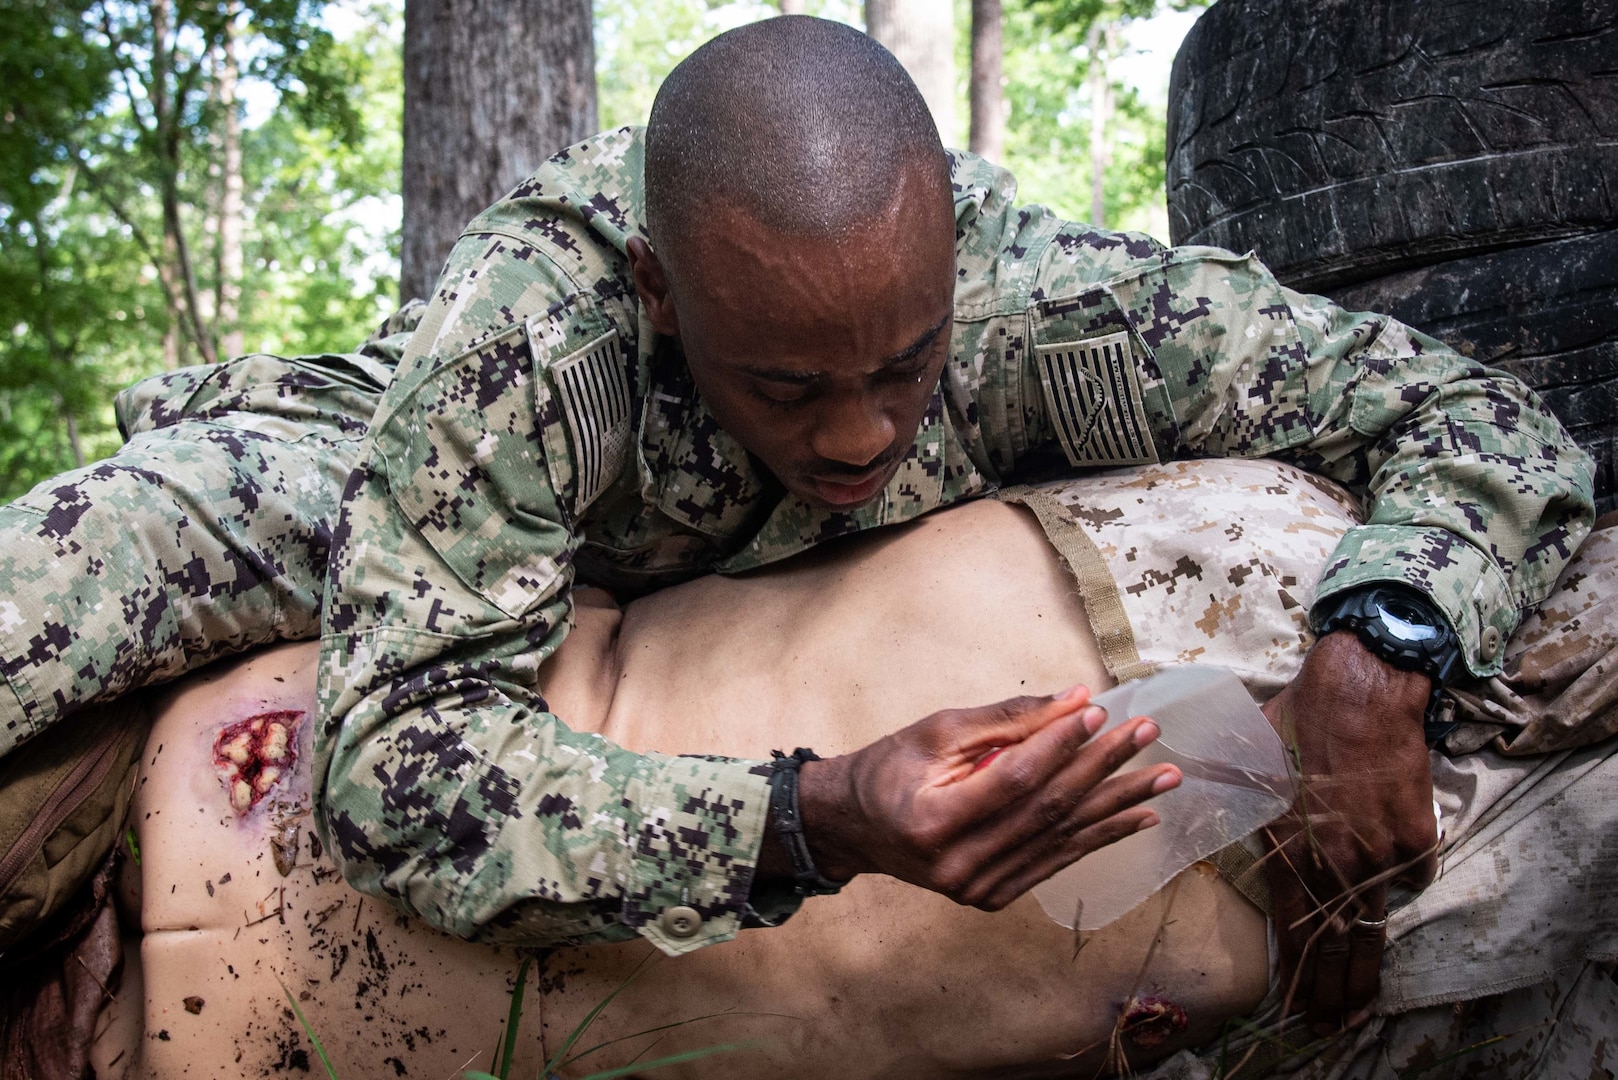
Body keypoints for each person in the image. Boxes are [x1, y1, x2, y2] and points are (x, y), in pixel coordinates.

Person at [0, 15, 1590, 1038]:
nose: (853, 436)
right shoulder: (535, 335)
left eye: (898, 371)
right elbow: (391, 773)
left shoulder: (1053, 309)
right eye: (785, 384)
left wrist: (1384, 644)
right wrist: (803, 816)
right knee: (62, 602)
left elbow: (1477, 420)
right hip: (373, 482)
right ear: (657, 297)